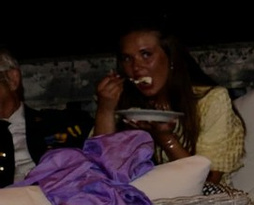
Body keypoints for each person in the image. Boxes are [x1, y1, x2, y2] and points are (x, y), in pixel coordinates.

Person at [93, 24, 245, 181]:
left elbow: (209, 182)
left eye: (146, 54)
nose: (136, 67)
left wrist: (166, 139)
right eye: (127, 58)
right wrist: (105, 110)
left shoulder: (210, 100)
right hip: (138, 200)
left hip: (200, 204)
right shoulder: (123, 102)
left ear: (171, 58)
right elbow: (97, 172)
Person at [0, 55, 40, 185]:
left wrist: (105, 108)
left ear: (12, 79)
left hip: (55, 200)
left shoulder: (60, 122)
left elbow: (100, 155)